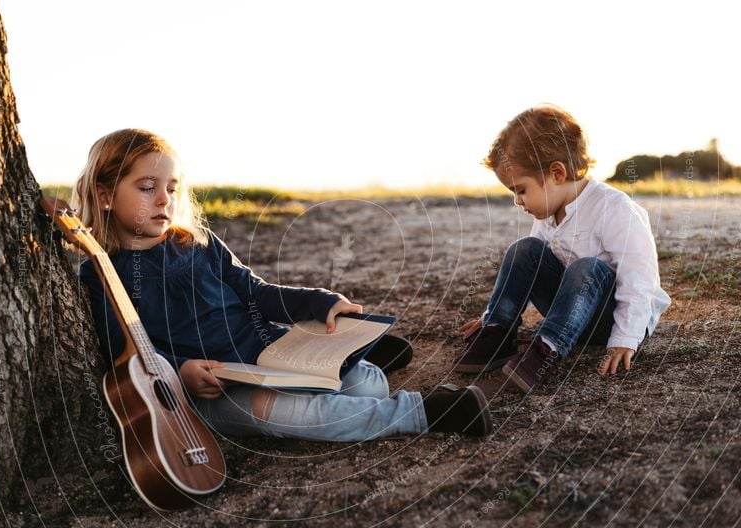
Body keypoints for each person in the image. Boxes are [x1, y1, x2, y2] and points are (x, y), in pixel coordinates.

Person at [75, 128, 493, 442]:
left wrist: (320, 303)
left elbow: (256, 293)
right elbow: (123, 350)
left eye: (172, 187)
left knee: (368, 384)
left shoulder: (197, 243)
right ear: (105, 195)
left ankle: (347, 358)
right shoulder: (100, 273)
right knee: (296, 415)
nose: (165, 199)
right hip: (213, 390)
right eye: (148, 188)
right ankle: (427, 412)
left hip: (270, 354)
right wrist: (181, 371)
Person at [453, 105, 671, 393]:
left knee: (587, 267)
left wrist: (625, 338)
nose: (517, 201)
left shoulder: (615, 209)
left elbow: (640, 279)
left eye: (520, 190)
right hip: (570, 311)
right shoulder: (548, 212)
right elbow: (530, 271)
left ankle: (547, 351)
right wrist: (488, 315)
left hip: (609, 319)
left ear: (557, 172)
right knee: (525, 249)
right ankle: (497, 332)